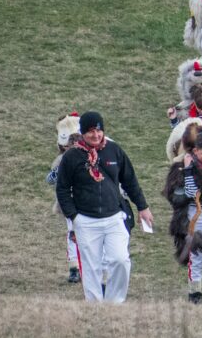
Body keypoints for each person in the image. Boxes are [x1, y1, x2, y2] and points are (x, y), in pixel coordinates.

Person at [54, 112, 151, 304]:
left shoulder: (114, 150)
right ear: (82, 132)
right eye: (90, 131)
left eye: (98, 130)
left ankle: (115, 303)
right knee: (91, 268)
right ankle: (95, 306)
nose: (95, 135)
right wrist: (74, 217)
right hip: (86, 220)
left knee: (120, 260)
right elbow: (62, 189)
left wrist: (143, 207)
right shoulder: (72, 156)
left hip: (114, 216)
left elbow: (130, 180)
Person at [164, 123, 202, 304]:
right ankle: (195, 293)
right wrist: (189, 170)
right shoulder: (185, 166)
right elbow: (190, 192)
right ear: (196, 151)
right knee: (196, 256)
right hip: (196, 214)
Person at [50, 113, 83, 284]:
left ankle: (89, 266)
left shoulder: (88, 158)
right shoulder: (61, 161)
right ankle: (74, 267)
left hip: (86, 201)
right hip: (68, 203)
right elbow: (50, 179)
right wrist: (57, 173)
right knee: (72, 233)